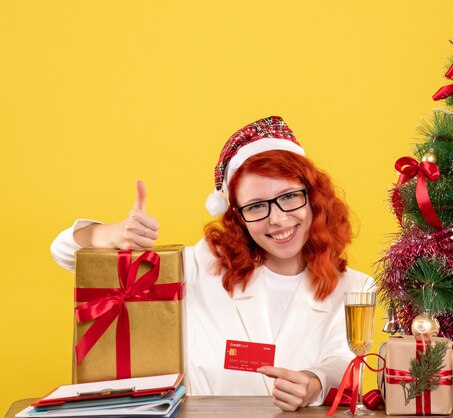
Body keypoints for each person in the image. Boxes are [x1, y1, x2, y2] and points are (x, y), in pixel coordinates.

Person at [51, 116, 375, 412]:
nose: (277, 219)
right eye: (257, 206)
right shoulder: (200, 268)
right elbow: (64, 251)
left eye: (290, 197)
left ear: (313, 196)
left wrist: (313, 382)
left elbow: (345, 362)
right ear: (237, 216)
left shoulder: (355, 288)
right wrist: (109, 235)